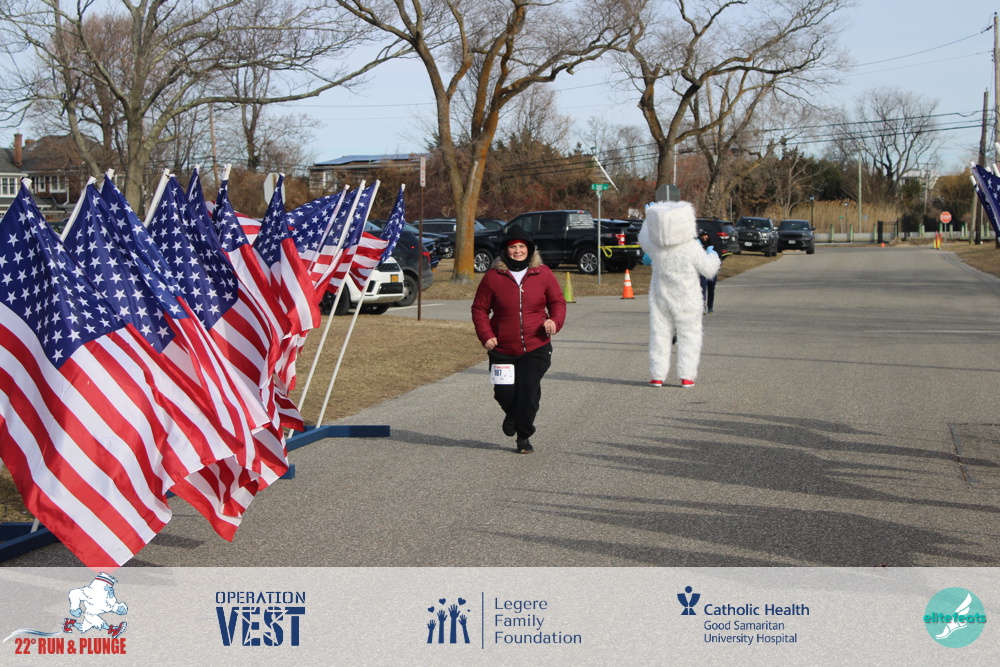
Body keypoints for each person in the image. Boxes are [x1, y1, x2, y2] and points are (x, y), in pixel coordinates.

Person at [472, 224, 566, 453]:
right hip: (503, 348)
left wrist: (554, 322)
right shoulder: (493, 276)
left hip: (536, 346)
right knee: (503, 393)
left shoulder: (543, 273)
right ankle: (513, 415)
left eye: (522, 247)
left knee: (527, 392)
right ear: (505, 250)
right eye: (513, 247)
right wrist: (486, 335)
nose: (517, 251)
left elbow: (557, 302)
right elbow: (480, 309)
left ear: (530, 249)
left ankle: (524, 436)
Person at [639, 202, 720, 389]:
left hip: (661, 297)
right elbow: (709, 269)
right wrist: (713, 255)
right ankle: (687, 376)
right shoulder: (691, 247)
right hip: (688, 298)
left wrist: (648, 219)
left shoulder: (655, 247)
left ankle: (657, 375)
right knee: (689, 335)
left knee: (660, 335)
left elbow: (643, 238)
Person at [698, 229, 717, 313]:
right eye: (702, 236)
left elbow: (719, 256)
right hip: (703, 270)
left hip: (712, 270)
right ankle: (702, 307)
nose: (704, 237)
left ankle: (710, 306)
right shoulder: (698, 245)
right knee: (702, 288)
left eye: (705, 235)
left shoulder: (713, 244)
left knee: (711, 288)